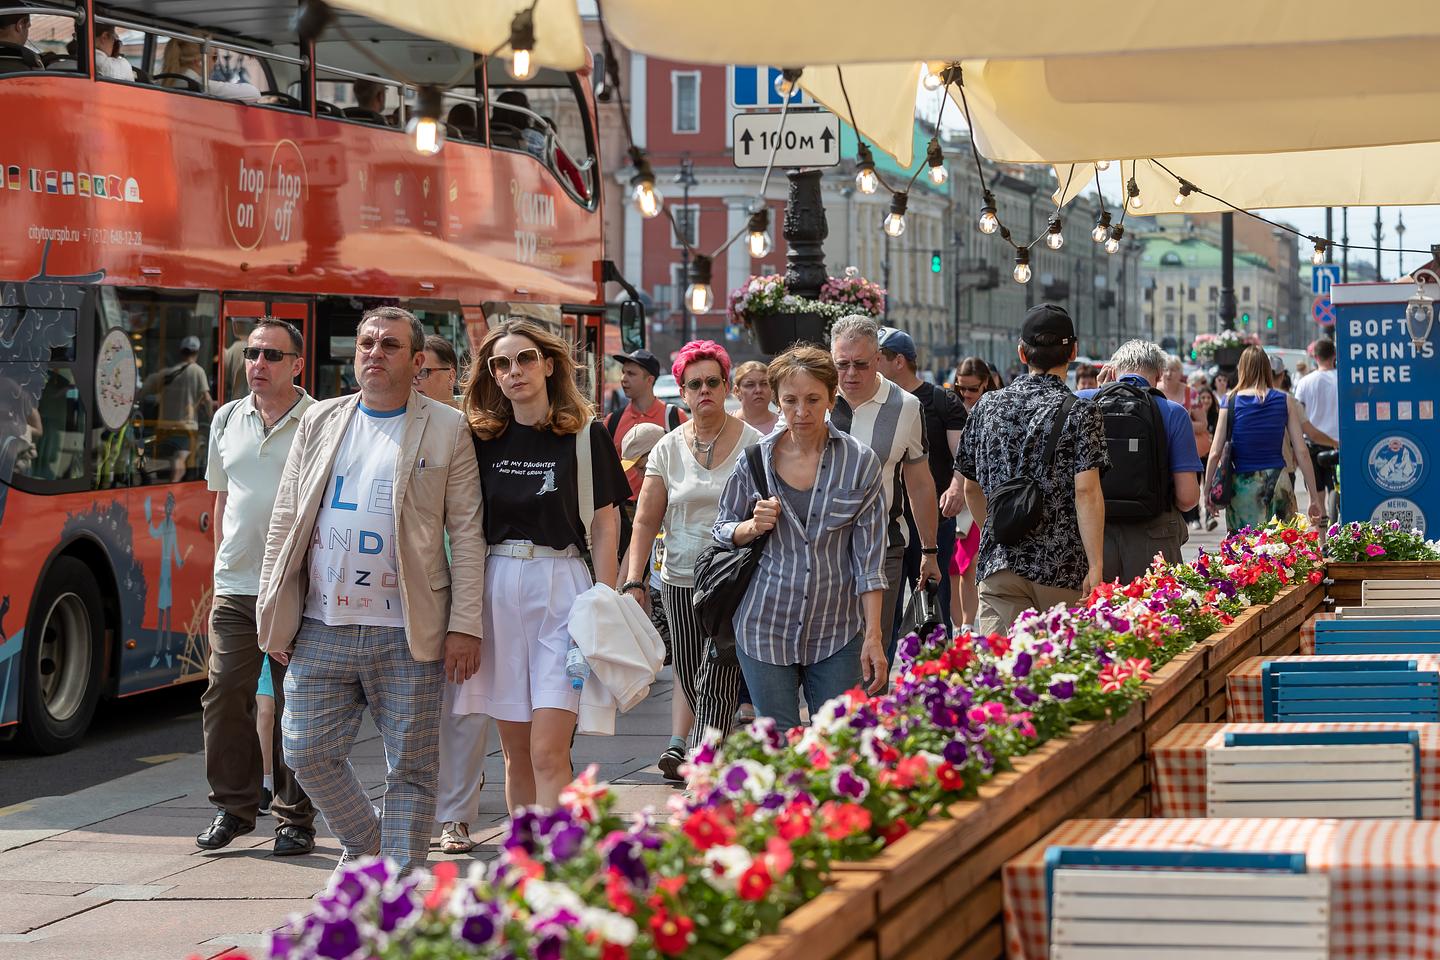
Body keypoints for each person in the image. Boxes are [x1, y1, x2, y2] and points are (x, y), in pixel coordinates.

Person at [257, 306, 485, 873]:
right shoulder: (321, 420)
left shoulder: (447, 426)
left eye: (389, 345)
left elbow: (468, 532)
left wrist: (465, 625)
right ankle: (365, 844)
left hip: (408, 630)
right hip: (321, 623)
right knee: (305, 752)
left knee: (410, 768)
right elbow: (286, 518)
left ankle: (399, 891)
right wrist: (272, 613)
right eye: (365, 343)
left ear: (416, 362)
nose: (374, 353)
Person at [453, 320, 627, 811]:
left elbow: (605, 524)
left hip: (563, 587)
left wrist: (604, 598)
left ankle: (560, 861)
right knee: (515, 754)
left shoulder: (585, 435)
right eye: (501, 364)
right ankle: (526, 867)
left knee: (548, 750)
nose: (515, 371)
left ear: (549, 365)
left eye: (525, 358)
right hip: (498, 588)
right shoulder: (480, 439)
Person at [712, 346, 888, 731]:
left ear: (831, 398)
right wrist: (751, 527)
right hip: (763, 625)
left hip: (836, 630)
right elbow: (722, 529)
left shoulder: (859, 462)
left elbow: (869, 560)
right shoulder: (755, 459)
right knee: (777, 746)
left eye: (812, 400)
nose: (801, 412)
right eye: (790, 401)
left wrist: (873, 634)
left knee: (839, 742)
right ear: (777, 401)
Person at [197, 318, 316, 856]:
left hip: (297, 586)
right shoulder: (226, 417)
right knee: (224, 695)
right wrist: (220, 571)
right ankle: (235, 806)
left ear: (297, 364)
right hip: (235, 585)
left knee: (297, 703)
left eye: (271, 355)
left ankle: (295, 817)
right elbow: (223, 500)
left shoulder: (320, 421)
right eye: (251, 354)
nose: (258, 365)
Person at [622, 342, 760, 779]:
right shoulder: (666, 448)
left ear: (726, 387)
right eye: (694, 384)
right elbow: (645, 520)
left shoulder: (754, 444)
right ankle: (715, 752)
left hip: (735, 579)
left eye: (712, 382)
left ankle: (700, 760)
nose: (704, 391)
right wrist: (634, 580)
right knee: (687, 668)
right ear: (681, 392)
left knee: (718, 669)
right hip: (680, 577)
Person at [958, 304, 1108, 634]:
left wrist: (997, 533)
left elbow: (970, 486)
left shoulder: (986, 405)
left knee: (1002, 675)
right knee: (1058, 676)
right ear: (1073, 352)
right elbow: (1086, 491)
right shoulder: (1082, 412)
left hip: (1001, 566)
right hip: (1064, 569)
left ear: (1022, 354)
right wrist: (1096, 565)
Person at [829, 316, 940, 668]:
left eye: (860, 364)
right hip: (818, 546)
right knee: (826, 647)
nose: (850, 373)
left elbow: (920, 483)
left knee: (873, 646)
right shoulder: (815, 399)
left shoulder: (906, 407)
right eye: (841, 364)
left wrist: (930, 550)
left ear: (878, 359)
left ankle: (868, 717)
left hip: (883, 545)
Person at [1078, 340, 1202, 584]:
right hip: (1154, 537)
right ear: (1157, 375)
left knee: (1097, 617)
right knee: (1154, 615)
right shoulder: (1173, 412)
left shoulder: (1082, 402)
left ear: (1112, 371)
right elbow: (1188, 498)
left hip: (1093, 536)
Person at [877, 327, 967, 634]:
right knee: (881, 614)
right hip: (887, 523)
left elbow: (964, 457)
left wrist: (956, 486)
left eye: (877, 358)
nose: (870, 366)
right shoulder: (875, 405)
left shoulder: (941, 401)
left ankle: (937, 675)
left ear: (898, 361)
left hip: (931, 521)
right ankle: (880, 678)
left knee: (932, 611)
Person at [1204, 346, 1325, 534]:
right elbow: (1301, 451)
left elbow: (1215, 452)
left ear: (1241, 369)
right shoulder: (1285, 400)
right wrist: (1313, 497)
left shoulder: (1230, 400)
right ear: (1267, 370)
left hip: (1242, 487)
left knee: (1243, 550)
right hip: (1278, 482)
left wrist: (1207, 492)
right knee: (1283, 548)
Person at [607, 348, 686, 556]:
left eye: (631, 374)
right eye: (623, 372)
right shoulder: (612, 421)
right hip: (624, 512)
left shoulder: (674, 417)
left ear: (650, 379)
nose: (623, 379)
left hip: (665, 510)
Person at [141, 334, 213, 482]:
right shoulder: (197, 371)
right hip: (185, 426)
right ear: (197, 352)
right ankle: (173, 486)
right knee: (179, 458)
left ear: (181, 352)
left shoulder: (167, 372)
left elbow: (145, 390)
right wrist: (212, 417)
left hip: (164, 425)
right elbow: (207, 398)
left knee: (167, 455)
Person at [1294, 337, 1339, 522]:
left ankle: (1322, 542)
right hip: (1338, 444)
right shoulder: (1341, 379)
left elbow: (1298, 413)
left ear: (1315, 356)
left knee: (1317, 495)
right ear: (1334, 355)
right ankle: (1340, 536)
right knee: (1338, 491)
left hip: (1313, 444)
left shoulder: (1305, 382)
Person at [159, 39, 260, 100]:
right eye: (214, 57)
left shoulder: (160, 82)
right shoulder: (202, 86)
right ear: (200, 61)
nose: (215, 63)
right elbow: (253, 93)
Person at [732, 360, 779, 436]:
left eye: (764, 384)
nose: (758, 390)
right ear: (737, 391)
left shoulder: (782, 427)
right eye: (750, 385)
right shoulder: (724, 424)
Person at [414, 334, 458, 404]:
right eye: (408, 374)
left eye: (422, 372)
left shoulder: (472, 414)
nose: (413, 381)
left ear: (450, 377)